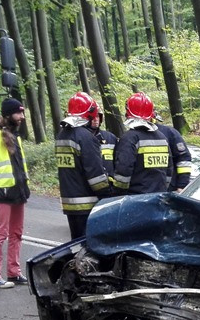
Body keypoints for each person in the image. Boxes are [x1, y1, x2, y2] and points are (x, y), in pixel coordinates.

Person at [0, 97, 31, 289]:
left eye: (23, 113)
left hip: (18, 192)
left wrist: (25, 187)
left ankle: (14, 272)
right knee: (1, 234)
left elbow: (20, 166)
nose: (22, 117)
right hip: (1, 193)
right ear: (9, 114)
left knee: (17, 234)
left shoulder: (16, 136)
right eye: (19, 113)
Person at [56, 92, 114, 240]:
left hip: (70, 203)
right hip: (88, 205)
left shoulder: (62, 135)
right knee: (90, 248)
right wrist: (108, 195)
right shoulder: (86, 137)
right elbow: (96, 176)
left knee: (75, 245)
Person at [111, 92, 171, 195]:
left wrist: (117, 193)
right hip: (159, 198)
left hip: (136, 199)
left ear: (128, 112)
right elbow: (169, 172)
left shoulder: (129, 138)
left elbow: (123, 172)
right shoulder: (162, 138)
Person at [154, 114, 193, 191]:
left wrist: (182, 185)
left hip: (170, 188)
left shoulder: (169, 132)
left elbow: (184, 159)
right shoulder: (132, 136)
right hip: (144, 190)